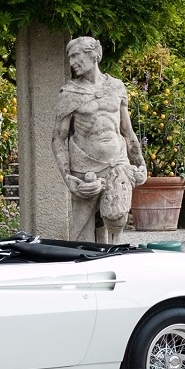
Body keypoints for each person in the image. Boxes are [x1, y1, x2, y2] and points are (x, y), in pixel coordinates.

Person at [51, 36, 147, 243]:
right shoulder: (69, 93)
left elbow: (127, 131)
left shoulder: (116, 87)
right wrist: (68, 178)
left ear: (94, 54)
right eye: (70, 57)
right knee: (81, 229)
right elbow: (58, 139)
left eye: (76, 55)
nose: (72, 62)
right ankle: (85, 267)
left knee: (117, 217)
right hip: (86, 167)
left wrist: (140, 164)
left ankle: (116, 262)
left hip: (118, 161)